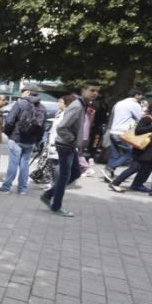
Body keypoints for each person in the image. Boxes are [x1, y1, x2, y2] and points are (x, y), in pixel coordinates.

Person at [40, 80, 101, 216]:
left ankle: (47, 195)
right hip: (65, 145)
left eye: (97, 91)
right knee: (64, 177)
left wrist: (77, 143)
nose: (95, 93)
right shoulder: (77, 106)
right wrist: (73, 140)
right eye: (92, 90)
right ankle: (56, 206)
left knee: (75, 173)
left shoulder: (82, 105)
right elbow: (62, 127)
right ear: (84, 90)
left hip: (70, 145)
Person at [108, 100, 152, 198]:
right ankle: (115, 183)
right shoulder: (148, 118)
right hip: (145, 150)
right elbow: (138, 131)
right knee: (135, 168)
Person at [0, 89, 45, 195]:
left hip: (16, 138)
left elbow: (9, 121)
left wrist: (8, 134)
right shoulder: (42, 107)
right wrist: (37, 140)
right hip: (30, 140)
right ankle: (22, 189)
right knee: (25, 164)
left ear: (28, 93)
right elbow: (42, 127)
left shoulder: (20, 104)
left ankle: (6, 187)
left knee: (13, 163)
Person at [105, 88, 144, 179]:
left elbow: (112, 116)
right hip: (123, 133)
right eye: (141, 95)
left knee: (114, 154)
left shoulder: (119, 103)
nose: (141, 97)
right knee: (130, 152)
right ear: (137, 95)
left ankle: (108, 174)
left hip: (113, 131)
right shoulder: (134, 104)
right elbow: (140, 118)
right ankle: (110, 167)